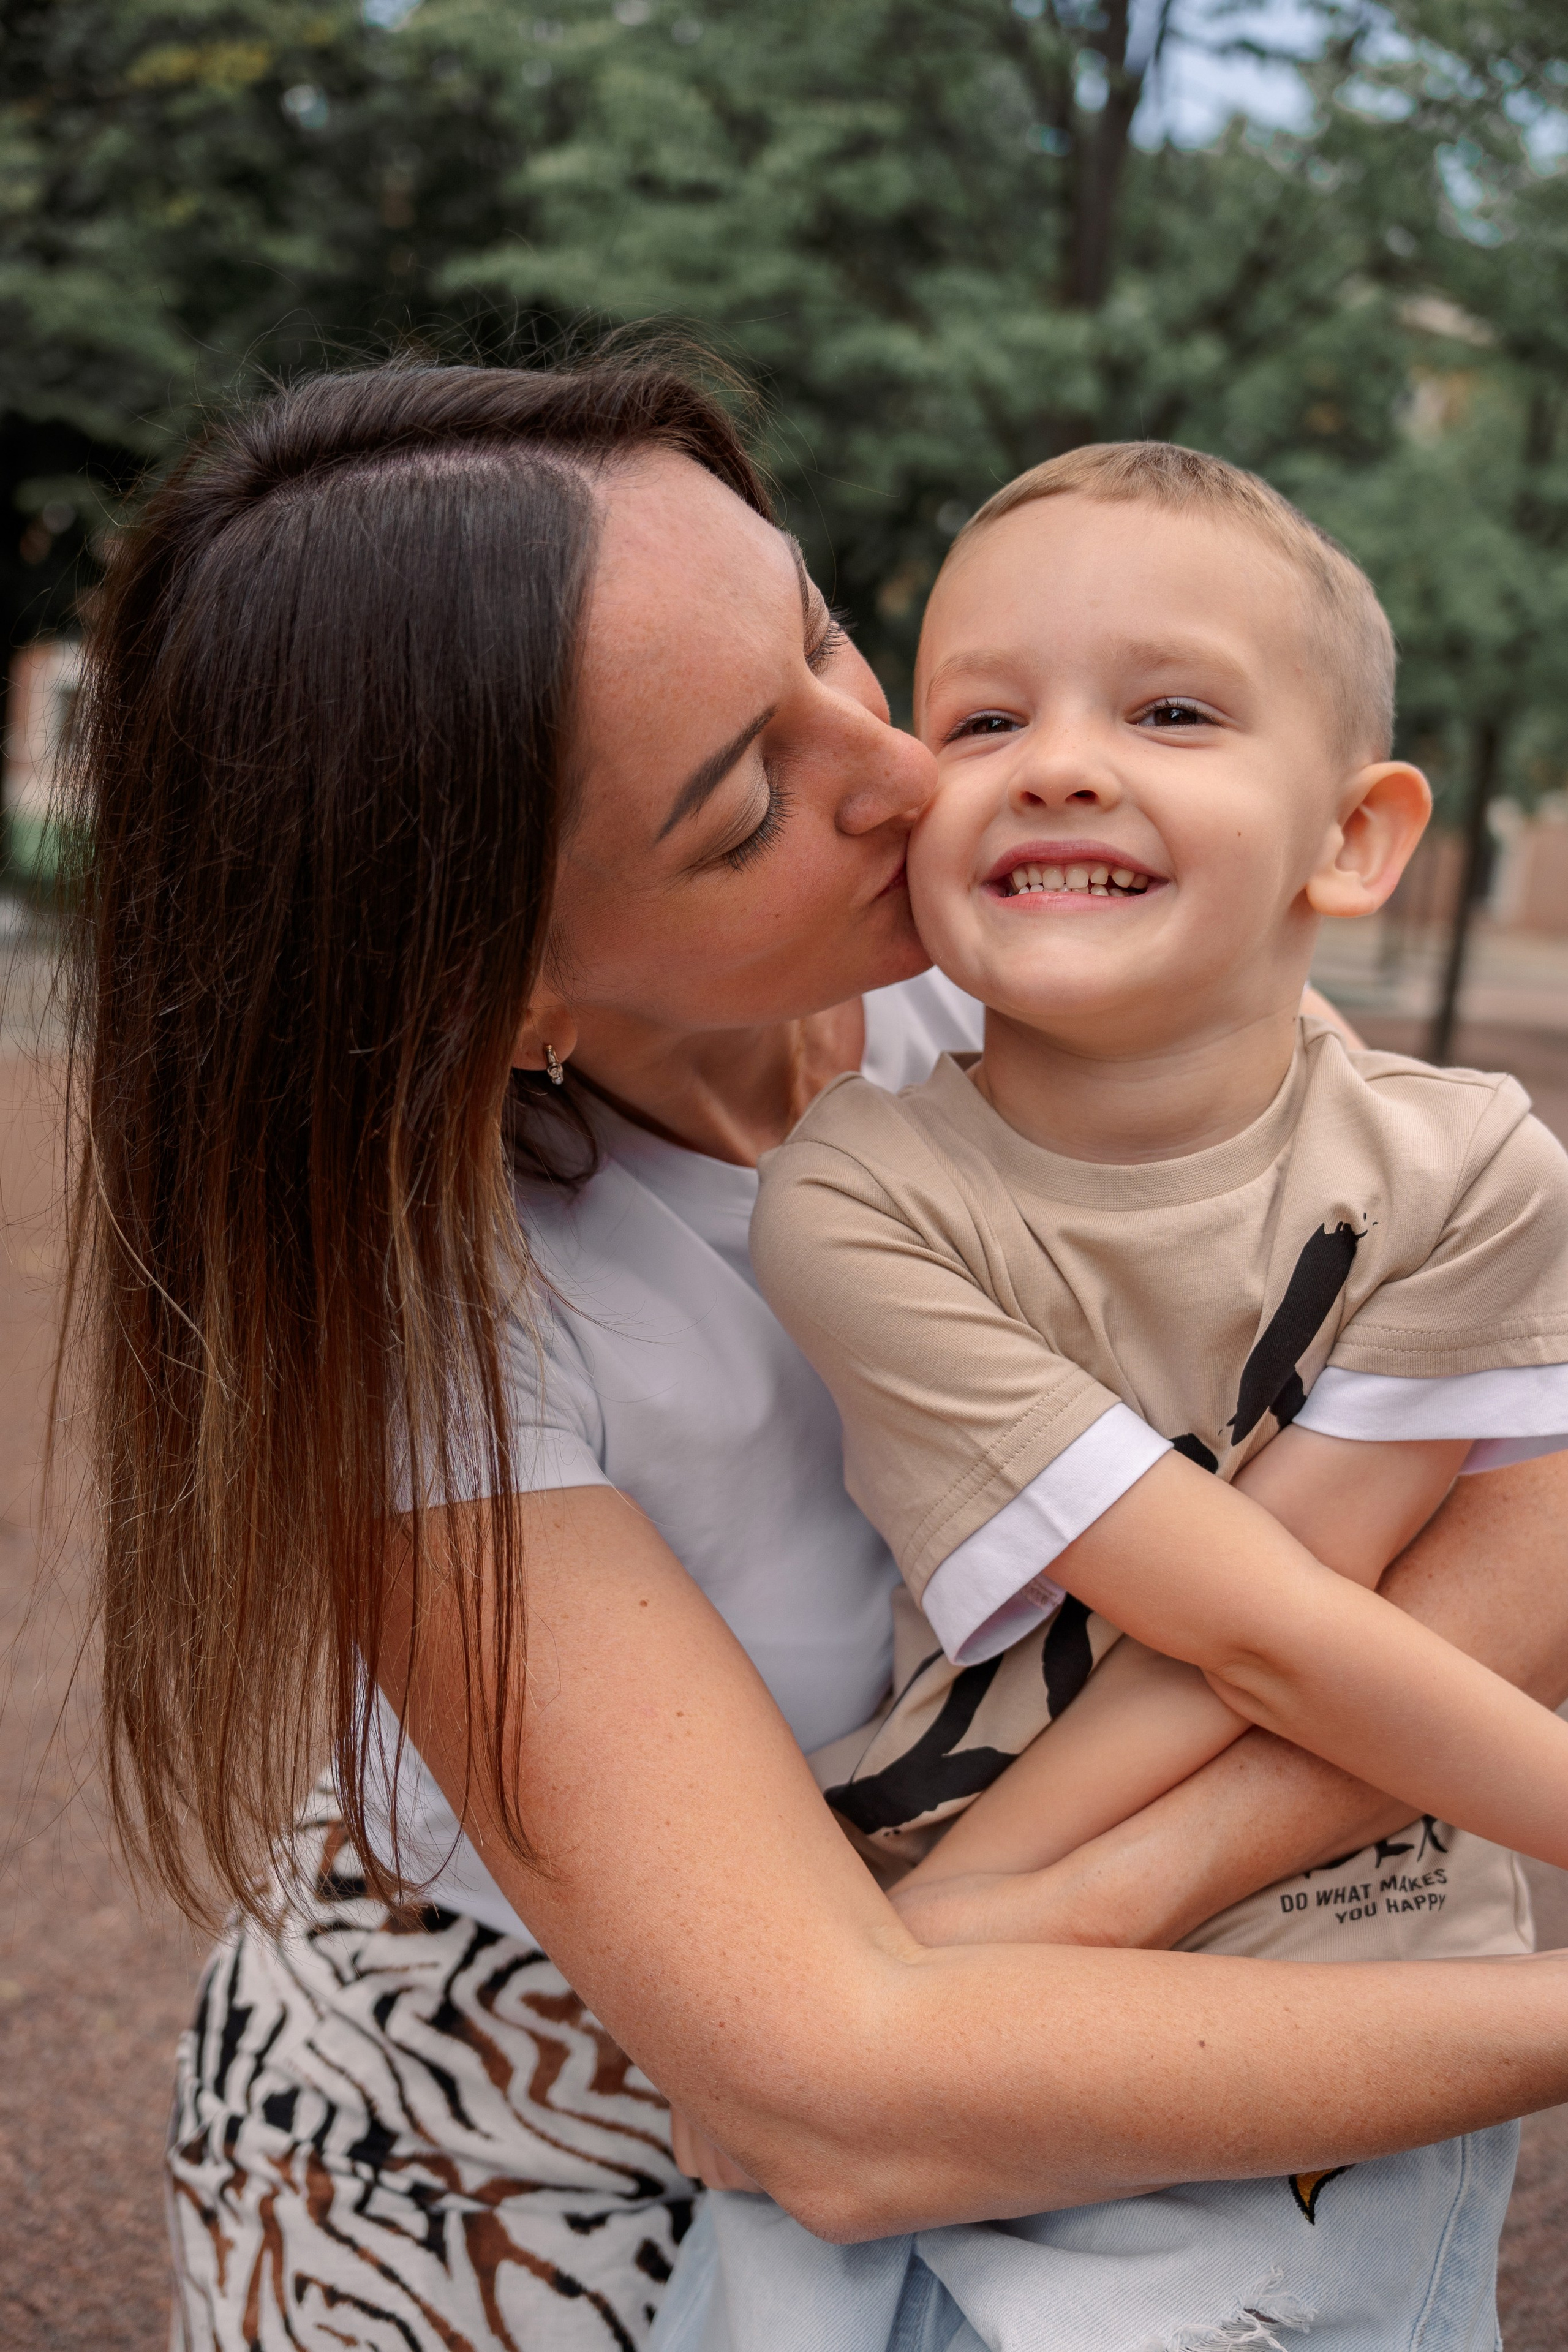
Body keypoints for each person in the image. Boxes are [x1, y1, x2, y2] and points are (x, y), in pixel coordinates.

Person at [57, 358, 1568, 2352]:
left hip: (1024, 1970)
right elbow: (822, 2094)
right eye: (751, 794)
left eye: (825, 633)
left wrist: (1047, 1913)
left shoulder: (1014, 971)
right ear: (501, 986)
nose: (901, 769)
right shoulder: (437, 1325)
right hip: (526, 2162)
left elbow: (1498, 1475)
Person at [654, 443, 1568, 2350]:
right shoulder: (858, 1197)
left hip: (1326, 2010)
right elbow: (1254, 1627)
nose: (1060, 759)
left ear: (1356, 835)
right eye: (986, 716)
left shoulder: (1473, 1170)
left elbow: (1303, 1601)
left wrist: (988, 1920)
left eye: (1169, 709)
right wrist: (940, 1954)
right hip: (957, 2024)